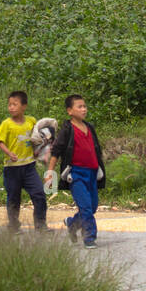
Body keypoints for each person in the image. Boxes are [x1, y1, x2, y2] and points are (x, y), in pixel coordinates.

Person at [44, 94, 106, 248]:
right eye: (80, 107)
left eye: (85, 106)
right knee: (85, 206)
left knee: (92, 206)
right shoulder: (67, 129)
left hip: (91, 173)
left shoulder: (90, 127)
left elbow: (95, 149)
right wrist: (50, 173)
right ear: (70, 111)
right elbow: (56, 151)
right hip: (76, 174)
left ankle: (72, 224)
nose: (84, 109)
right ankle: (89, 238)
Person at [0, 90, 48, 232]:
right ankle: (13, 226)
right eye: (9, 105)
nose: (11, 107)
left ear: (24, 106)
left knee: (39, 194)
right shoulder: (6, 124)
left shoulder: (31, 121)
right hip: (12, 168)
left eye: (15, 104)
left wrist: (40, 149)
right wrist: (8, 153)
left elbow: (38, 137)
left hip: (29, 167)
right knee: (13, 198)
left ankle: (41, 225)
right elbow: (0, 141)